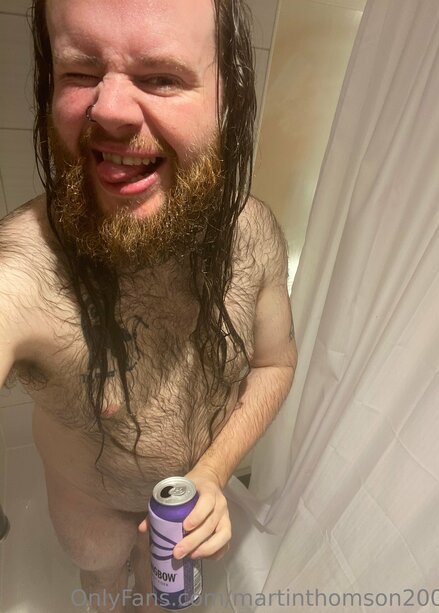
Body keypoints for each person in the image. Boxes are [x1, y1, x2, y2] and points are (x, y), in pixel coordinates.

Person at [0, 0, 297, 611]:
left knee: (164, 593)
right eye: (80, 72)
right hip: (88, 508)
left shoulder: (255, 235)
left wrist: (213, 471)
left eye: (161, 77)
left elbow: (275, 363)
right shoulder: (22, 269)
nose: (108, 109)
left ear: (227, 95)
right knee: (101, 583)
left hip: (184, 504)